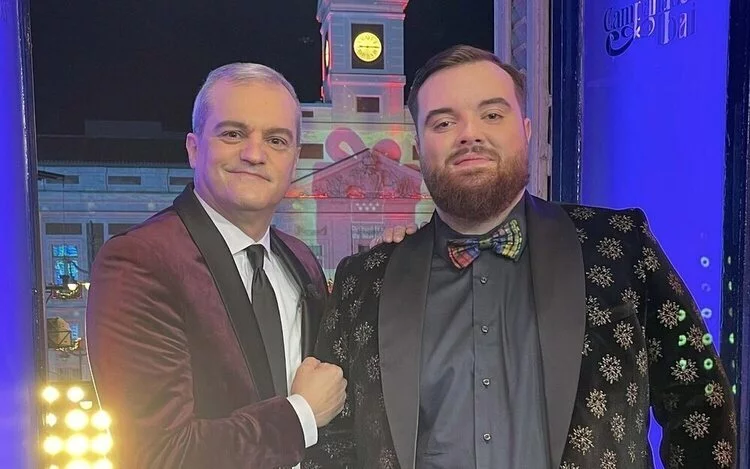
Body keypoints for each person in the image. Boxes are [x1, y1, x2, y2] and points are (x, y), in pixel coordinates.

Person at [306, 45, 736, 469]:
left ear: (526, 130)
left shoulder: (620, 245)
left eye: (492, 115)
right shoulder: (364, 281)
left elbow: (699, 396)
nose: (469, 134)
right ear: (418, 147)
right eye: (443, 122)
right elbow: (332, 439)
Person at [86, 63, 348, 469]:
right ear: (194, 148)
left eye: (276, 140)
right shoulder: (139, 260)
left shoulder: (300, 260)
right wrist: (301, 416)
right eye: (233, 134)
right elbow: (158, 455)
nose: (254, 154)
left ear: (295, 159)